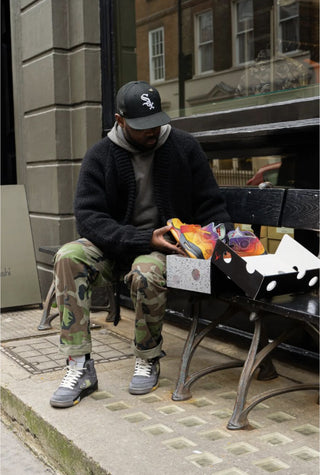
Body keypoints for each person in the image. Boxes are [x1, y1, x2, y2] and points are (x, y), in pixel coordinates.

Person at [50, 80, 233, 408]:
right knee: (69, 255)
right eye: (141, 126)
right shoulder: (100, 155)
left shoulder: (184, 147)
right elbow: (89, 219)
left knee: (147, 269)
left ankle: (148, 356)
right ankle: (79, 365)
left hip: (164, 251)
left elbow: (211, 205)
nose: (152, 132)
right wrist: (140, 237)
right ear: (120, 121)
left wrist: (218, 241)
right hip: (114, 246)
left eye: (156, 123)